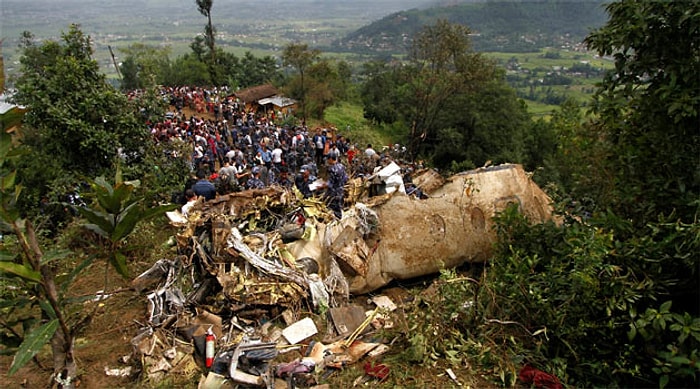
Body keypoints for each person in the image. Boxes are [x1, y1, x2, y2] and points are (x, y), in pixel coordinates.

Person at [324, 154, 347, 219]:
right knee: (339, 207)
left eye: (328, 159)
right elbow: (346, 178)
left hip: (333, 193)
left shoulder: (332, 169)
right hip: (341, 190)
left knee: (331, 206)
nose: (327, 161)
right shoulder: (341, 166)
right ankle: (340, 219)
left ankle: (335, 221)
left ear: (331, 159)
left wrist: (322, 185)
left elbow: (330, 183)